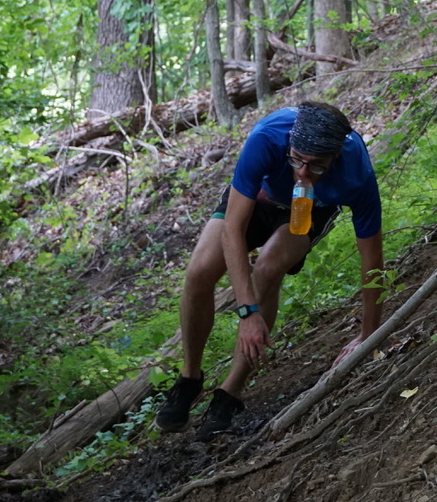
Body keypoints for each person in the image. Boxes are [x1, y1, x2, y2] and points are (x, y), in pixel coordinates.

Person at [154, 100, 384, 439]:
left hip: (307, 211)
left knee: (268, 267)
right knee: (199, 271)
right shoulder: (266, 137)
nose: (303, 172)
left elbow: (373, 262)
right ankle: (189, 379)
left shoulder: (356, 174)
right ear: (290, 144)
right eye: (297, 160)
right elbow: (232, 230)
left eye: (317, 166)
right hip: (258, 198)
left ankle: (230, 392)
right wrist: (247, 313)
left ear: (335, 157)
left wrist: (368, 335)